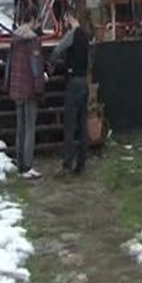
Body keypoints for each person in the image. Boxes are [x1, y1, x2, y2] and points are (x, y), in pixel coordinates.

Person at [3, 8, 46, 179]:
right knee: (30, 128)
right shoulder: (32, 41)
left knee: (20, 127)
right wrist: (39, 87)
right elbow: (36, 67)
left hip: (16, 87)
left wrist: (7, 84)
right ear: (33, 20)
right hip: (28, 88)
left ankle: (20, 163)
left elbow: (9, 64)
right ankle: (28, 166)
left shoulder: (14, 39)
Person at [49, 13, 91, 176]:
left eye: (66, 19)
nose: (65, 22)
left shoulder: (72, 34)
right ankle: (81, 163)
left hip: (73, 83)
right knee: (82, 125)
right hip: (83, 82)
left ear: (72, 19)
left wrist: (51, 62)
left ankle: (67, 163)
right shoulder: (86, 36)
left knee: (70, 125)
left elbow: (59, 49)